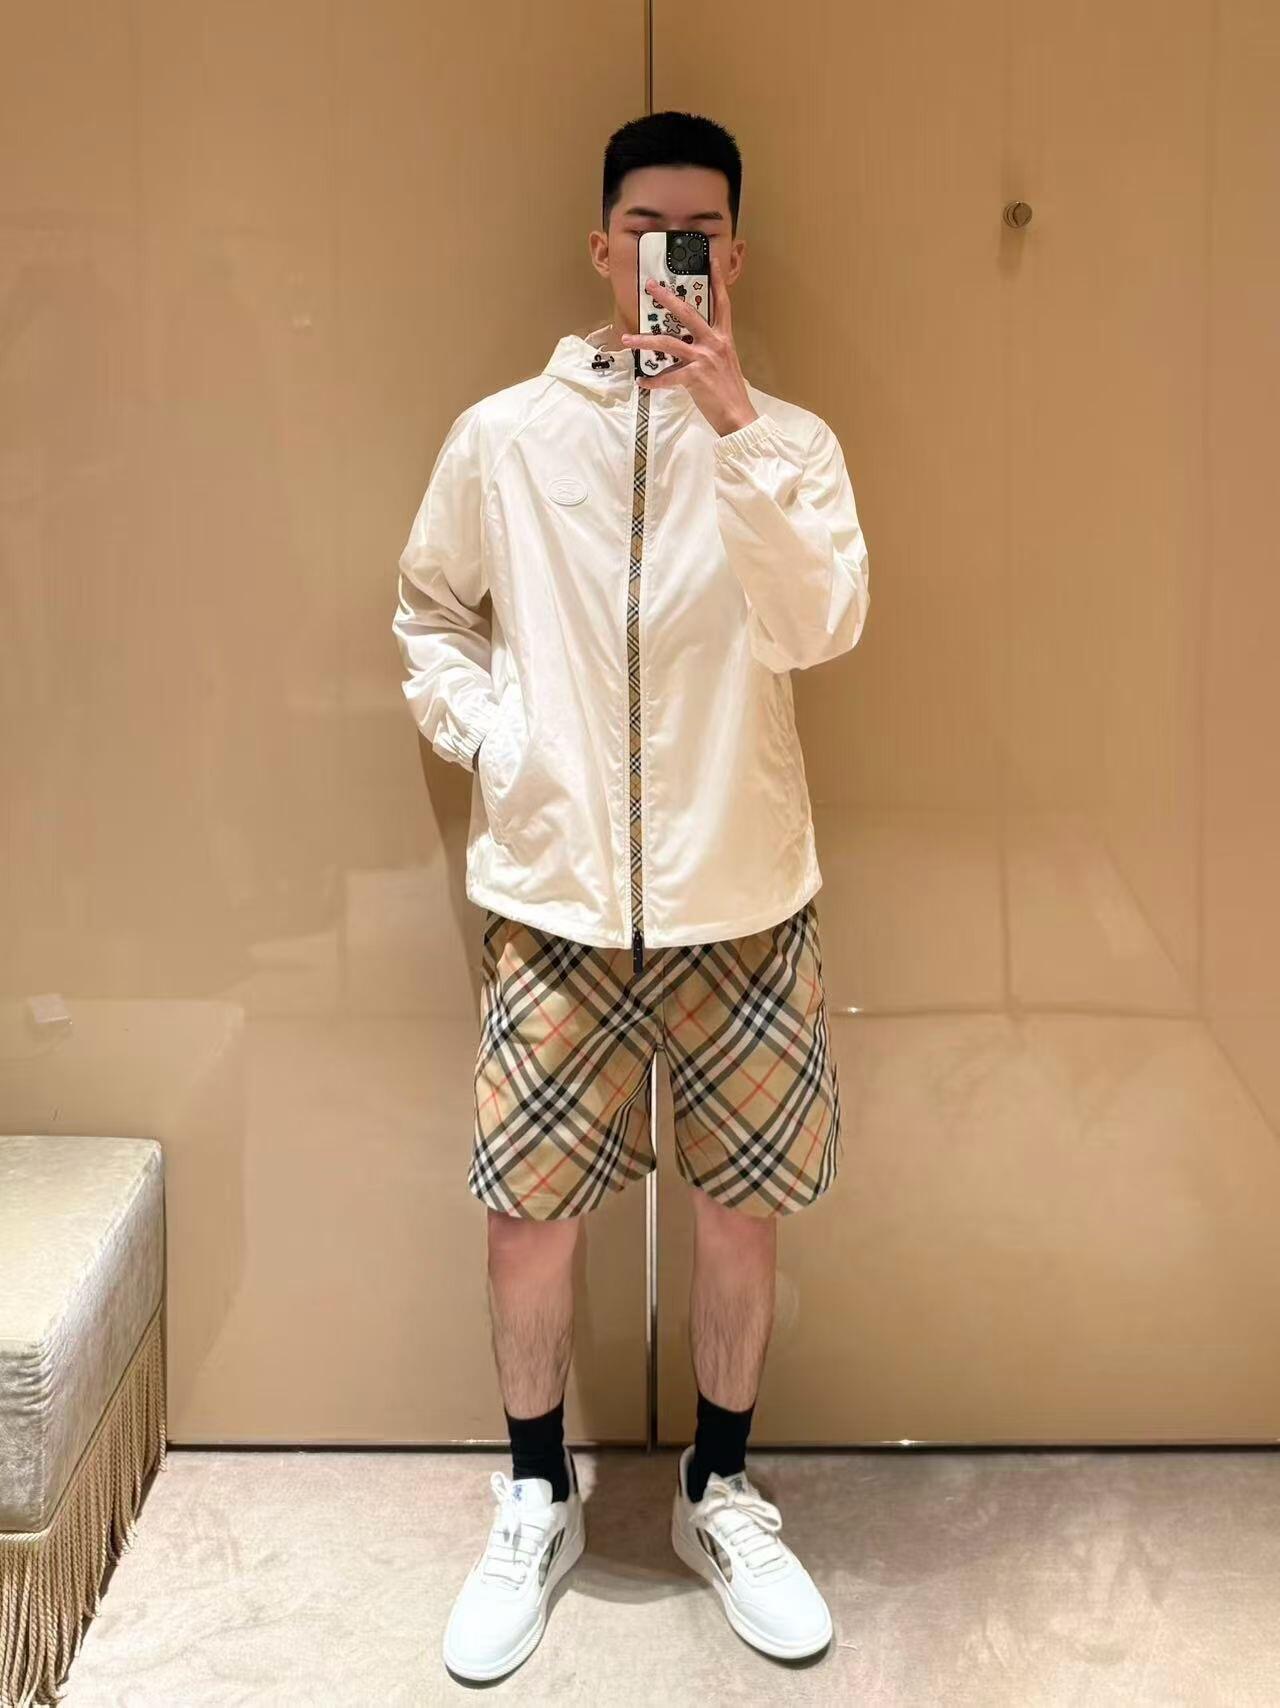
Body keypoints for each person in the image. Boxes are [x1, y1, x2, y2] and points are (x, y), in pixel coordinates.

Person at [392, 110, 870, 1683]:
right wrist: (498, 740)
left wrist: (736, 427)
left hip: (746, 900)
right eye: (653, 228)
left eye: (704, 233)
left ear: (734, 255)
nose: (677, 253)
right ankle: (536, 1495)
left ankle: (720, 1490)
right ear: (603, 247)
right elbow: (430, 612)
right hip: (556, 902)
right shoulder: (505, 438)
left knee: (740, 1219)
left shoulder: (789, 443)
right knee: (526, 1221)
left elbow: (820, 626)